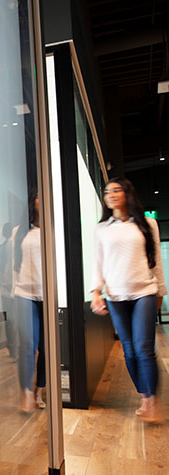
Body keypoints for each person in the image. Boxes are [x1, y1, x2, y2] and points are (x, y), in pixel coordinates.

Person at [90, 177, 166, 422]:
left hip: (144, 291)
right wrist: (96, 293)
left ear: (126, 194)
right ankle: (143, 393)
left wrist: (160, 292)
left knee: (144, 348)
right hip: (115, 296)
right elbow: (98, 264)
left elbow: (157, 262)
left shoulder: (147, 224)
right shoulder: (102, 228)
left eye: (116, 190)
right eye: (107, 191)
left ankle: (151, 401)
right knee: (129, 350)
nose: (111, 195)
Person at [13, 189, 46, 412]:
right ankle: (25, 391)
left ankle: (40, 390)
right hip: (24, 292)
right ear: (31, 202)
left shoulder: (55, 229)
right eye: (37, 196)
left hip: (49, 295)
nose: (40, 200)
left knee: (46, 347)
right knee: (27, 344)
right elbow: (15, 263)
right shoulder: (19, 231)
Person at [0, 222, 17, 359]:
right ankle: (14, 349)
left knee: (10, 321)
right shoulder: (15, 248)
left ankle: (13, 349)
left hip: (6, 290)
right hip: (15, 290)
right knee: (13, 321)